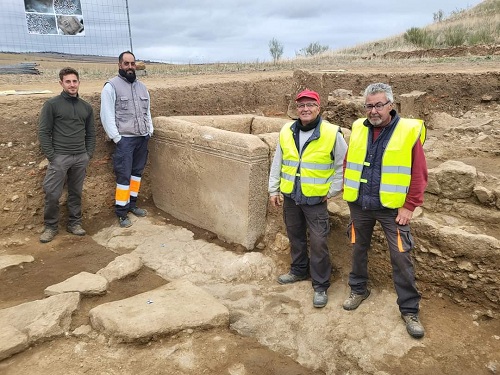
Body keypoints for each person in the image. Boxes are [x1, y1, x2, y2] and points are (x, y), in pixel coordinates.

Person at [342, 82, 427, 338]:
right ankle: (358, 289)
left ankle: (409, 309)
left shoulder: (408, 131)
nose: (374, 110)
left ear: (391, 105)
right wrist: (350, 194)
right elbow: (349, 162)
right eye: (369, 105)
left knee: (401, 256)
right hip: (360, 205)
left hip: (393, 210)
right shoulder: (359, 127)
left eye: (379, 105)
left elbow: (419, 173)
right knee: (358, 248)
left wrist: (410, 206)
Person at [268, 89, 348, 308]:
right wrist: (273, 190)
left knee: (319, 242)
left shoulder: (332, 133)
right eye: (301, 105)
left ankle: (320, 285)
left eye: (310, 104)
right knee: (295, 236)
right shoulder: (287, 130)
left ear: (318, 108)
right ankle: (298, 271)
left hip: (315, 200)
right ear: (296, 109)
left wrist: (331, 191)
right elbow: (278, 161)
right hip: (291, 196)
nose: (305, 109)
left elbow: (343, 165)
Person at [38, 67, 96, 243]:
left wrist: (88, 154)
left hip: (80, 157)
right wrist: (52, 156)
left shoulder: (86, 107)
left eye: (74, 81)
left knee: (76, 192)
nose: (72, 85)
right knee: (52, 193)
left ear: (79, 82)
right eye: (68, 81)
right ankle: (50, 226)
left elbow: (91, 134)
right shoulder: (52, 105)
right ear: (61, 83)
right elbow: (43, 132)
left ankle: (74, 223)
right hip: (59, 157)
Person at [100, 51, 154, 228]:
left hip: (142, 138)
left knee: (136, 174)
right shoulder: (111, 87)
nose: (130, 67)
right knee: (124, 177)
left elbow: (147, 112)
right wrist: (117, 138)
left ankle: (133, 205)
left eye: (132, 64)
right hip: (125, 140)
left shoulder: (142, 87)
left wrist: (149, 131)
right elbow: (106, 115)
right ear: (119, 65)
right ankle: (122, 213)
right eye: (126, 64)